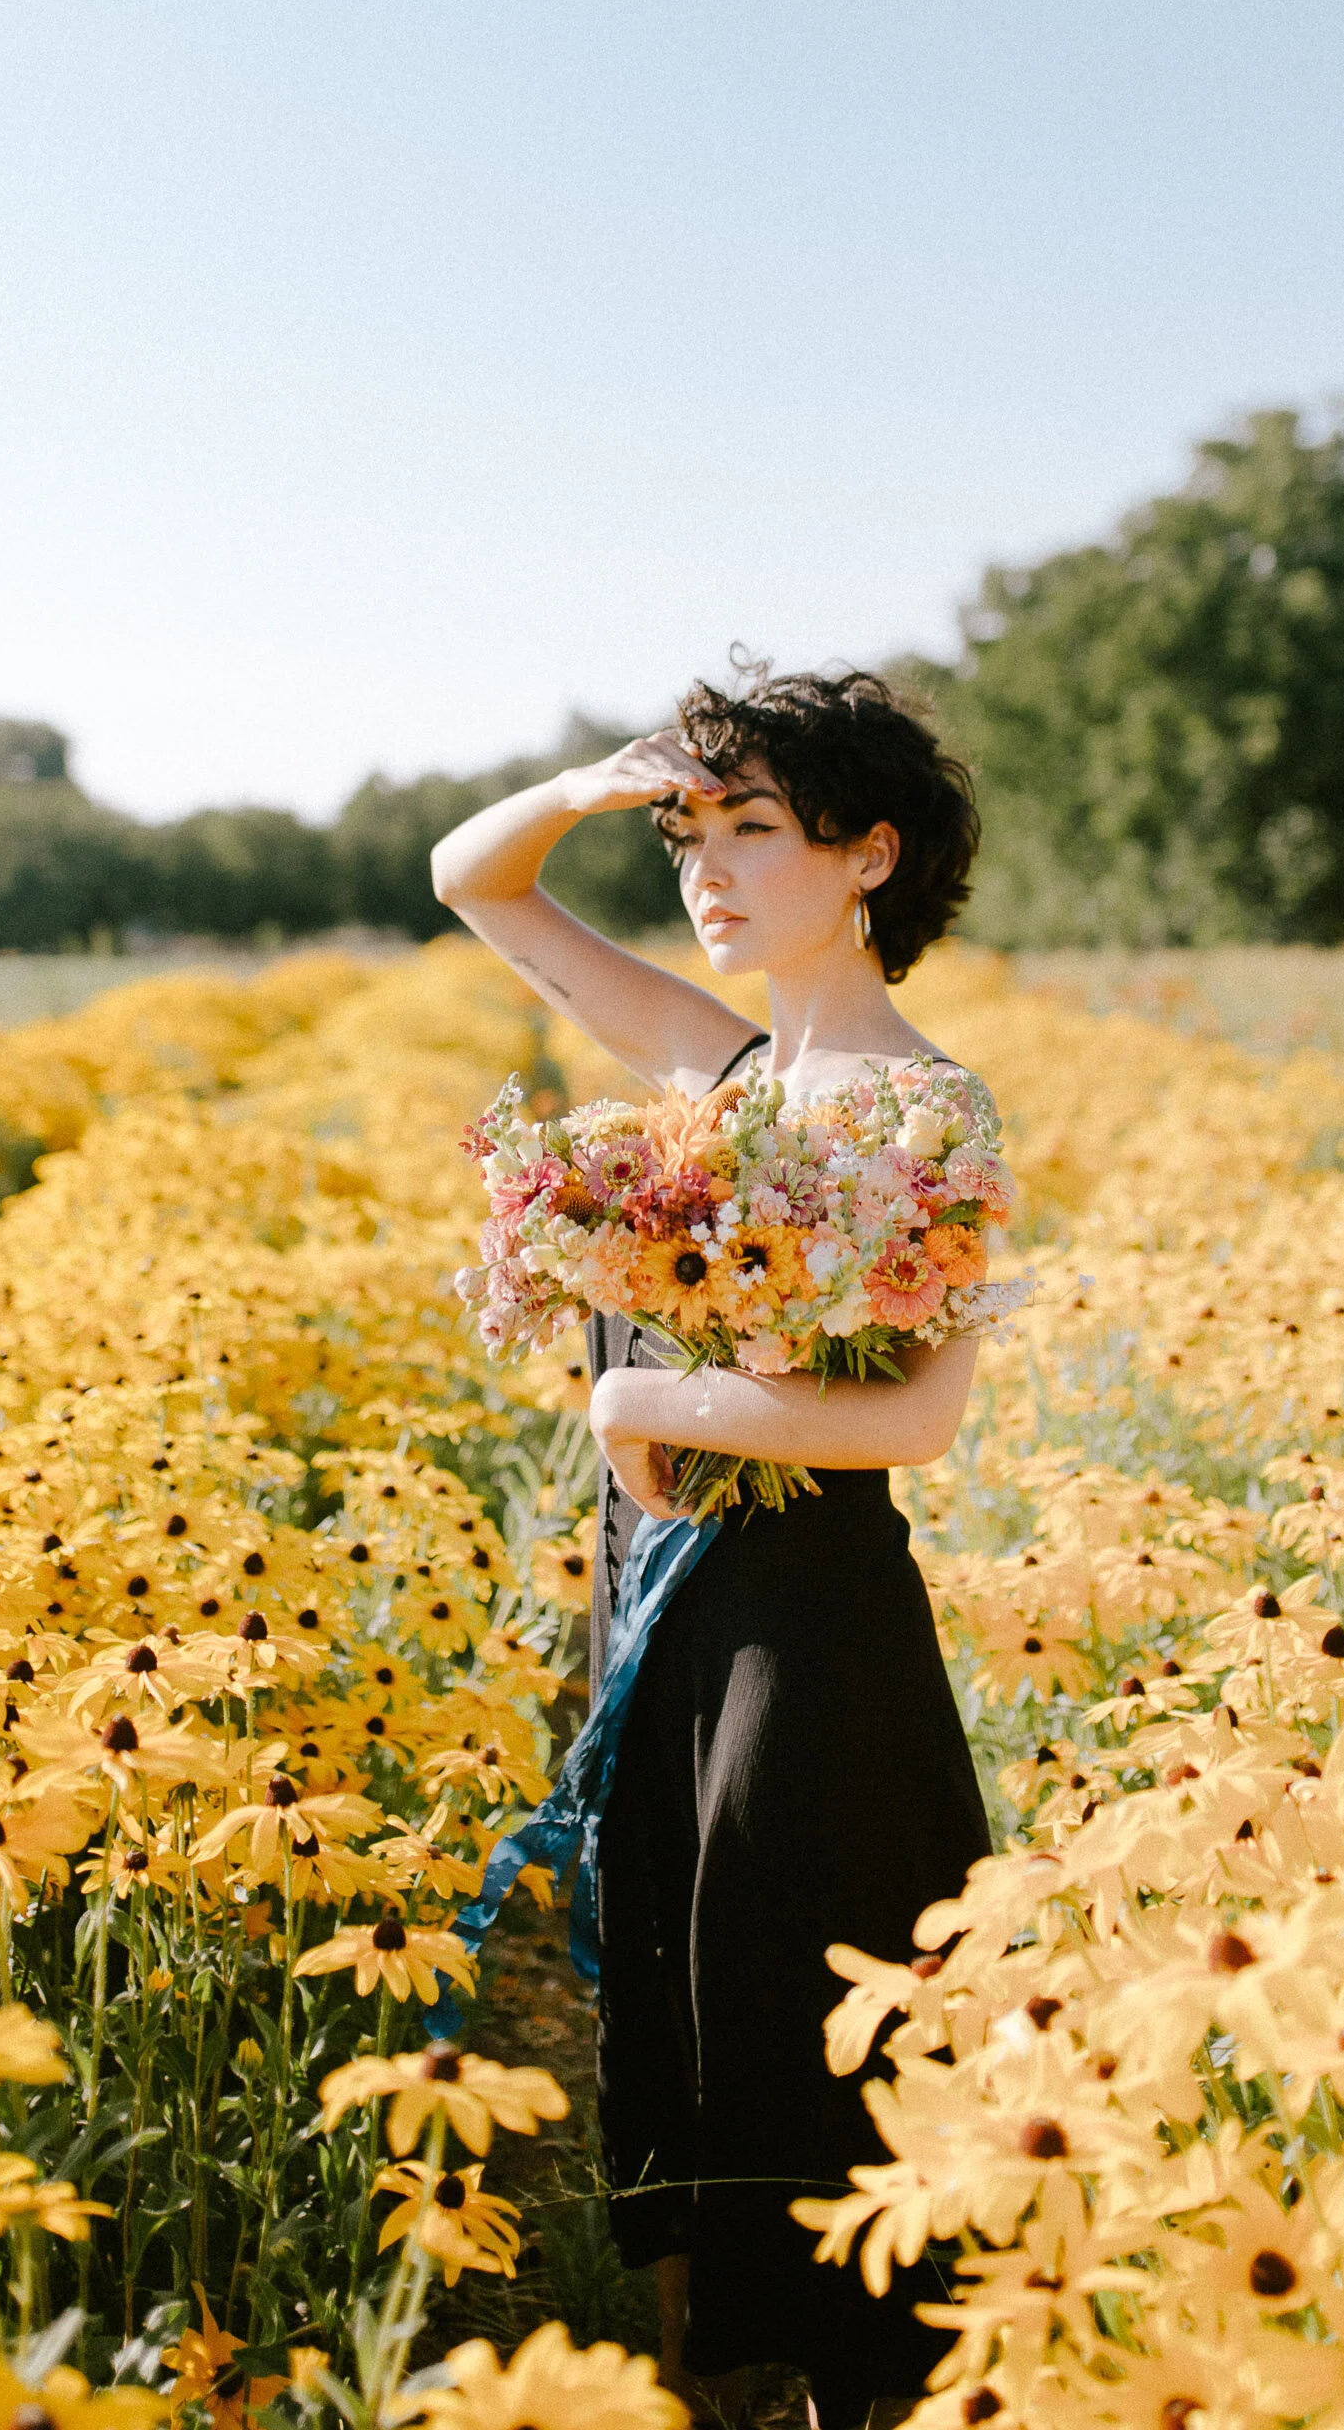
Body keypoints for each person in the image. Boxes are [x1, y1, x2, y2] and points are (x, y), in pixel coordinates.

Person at [430, 665, 996, 2430]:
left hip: (812, 1636)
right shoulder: (723, 1068)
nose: (710, 869)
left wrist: (642, 1414)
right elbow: (475, 879)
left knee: (802, 2012)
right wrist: (605, 788)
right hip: (671, 1616)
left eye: (756, 827)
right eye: (694, 834)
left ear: (871, 853)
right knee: (681, 1992)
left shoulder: (930, 1108)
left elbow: (912, 1419)